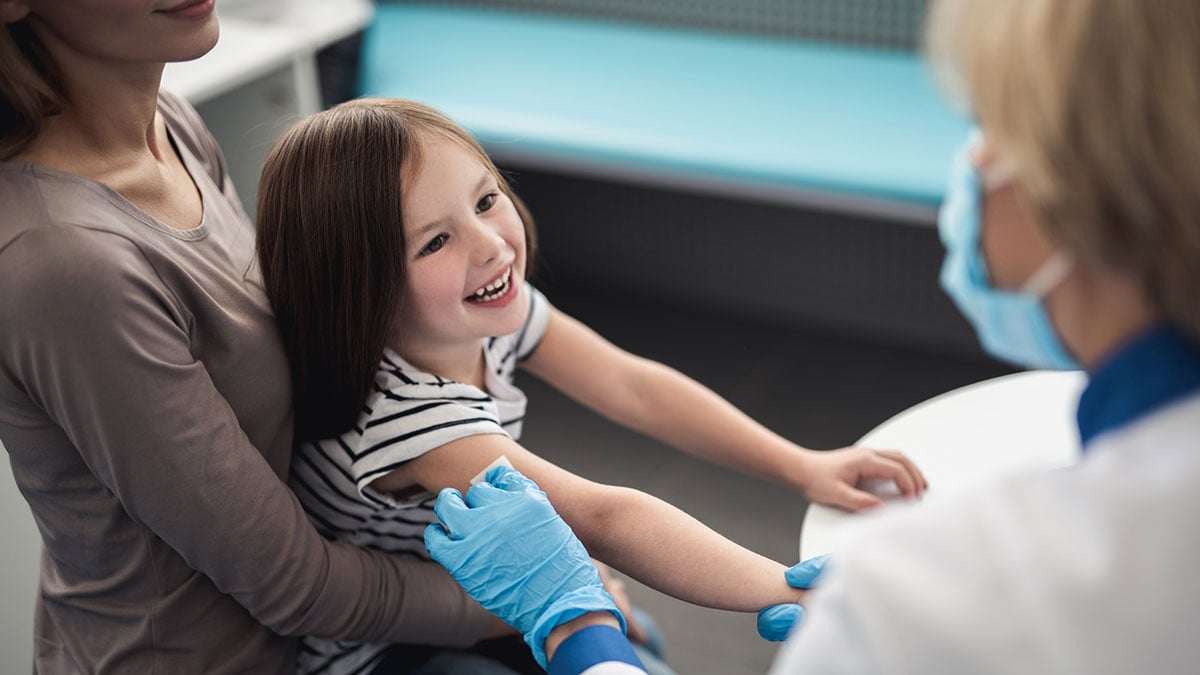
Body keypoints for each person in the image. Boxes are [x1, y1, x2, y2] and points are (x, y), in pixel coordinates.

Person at [420, 0, 1200, 672]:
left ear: (1075, 185)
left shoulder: (925, 597)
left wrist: (575, 623)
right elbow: (606, 497)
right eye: (432, 240)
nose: (489, 246)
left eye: (986, 123)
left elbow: (628, 409)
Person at [254, 98, 928, 673]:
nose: (491, 244)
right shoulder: (408, 418)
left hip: (475, 590)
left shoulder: (483, 312)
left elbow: (633, 386)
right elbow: (605, 518)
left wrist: (802, 464)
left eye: (487, 198)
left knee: (641, 642)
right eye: (435, 242)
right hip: (387, 653)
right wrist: (785, 588)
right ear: (360, 287)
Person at [0, 3, 509, 673]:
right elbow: (296, 586)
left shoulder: (169, 125)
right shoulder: (64, 260)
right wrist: (526, 597)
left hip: (331, 634)